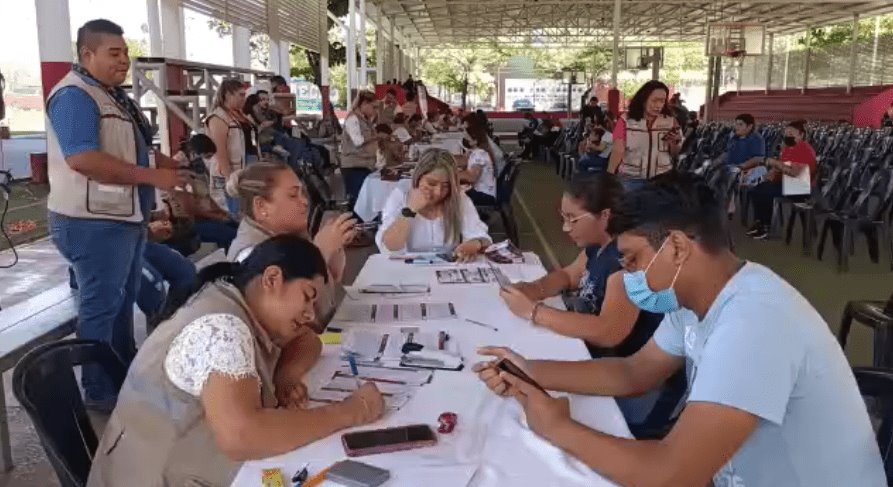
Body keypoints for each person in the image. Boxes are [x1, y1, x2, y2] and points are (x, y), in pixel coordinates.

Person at [473, 172, 886, 487]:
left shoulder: (755, 322)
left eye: (632, 260)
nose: (629, 274)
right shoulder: (697, 298)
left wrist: (555, 427)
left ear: (675, 247)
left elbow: (672, 475)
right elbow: (634, 372)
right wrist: (526, 369)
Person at [86, 236, 385, 487]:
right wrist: (351, 411)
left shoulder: (239, 302)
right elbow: (243, 436)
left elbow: (308, 341)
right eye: (307, 297)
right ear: (272, 279)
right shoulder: (221, 328)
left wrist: (285, 377)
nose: (310, 314)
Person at [46, 19, 188, 410]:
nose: (124, 60)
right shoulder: (75, 96)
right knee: (102, 305)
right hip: (92, 223)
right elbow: (83, 158)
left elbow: (135, 150)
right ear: (86, 54)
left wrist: (169, 168)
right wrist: (150, 175)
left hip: (121, 219)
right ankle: (98, 388)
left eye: (125, 53)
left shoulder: (110, 96)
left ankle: (119, 371)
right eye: (114, 53)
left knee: (120, 302)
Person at [497, 174, 681, 427]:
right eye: (563, 218)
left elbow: (608, 331)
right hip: (612, 365)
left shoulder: (625, 260)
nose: (565, 228)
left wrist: (534, 312)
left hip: (636, 377)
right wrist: (533, 288)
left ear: (604, 216)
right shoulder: (598, 246)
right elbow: (567, 275)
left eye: (572, 219)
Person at [225, 162, 354, 329]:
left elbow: (326, 304)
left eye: (302, 193)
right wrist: (317, 255)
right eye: (293, 195)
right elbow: (290, 327)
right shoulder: (250, 257)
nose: (305, 202)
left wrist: (331, 260)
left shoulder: (287, 237)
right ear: (261, 206)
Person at [377, 148, 491, 259]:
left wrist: (475, 244)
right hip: (408, 271)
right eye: (431, 183)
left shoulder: (458, 198)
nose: (438, 192)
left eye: (446, 185)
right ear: (418, 178)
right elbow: (391, 247)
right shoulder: (400, 196)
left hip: (447, 269)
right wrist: (410, 209)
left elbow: (482, 237)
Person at [744, 120, 817, 240]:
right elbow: (781, 167)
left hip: (801, 187)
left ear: (801, 135)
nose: (788, 135)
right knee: (756, 189)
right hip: (787, 183)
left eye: (791, 133)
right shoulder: (788, 148)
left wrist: (775, 163)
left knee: (765, 192)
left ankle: (765, 226)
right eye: (786, 133)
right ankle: (760, 222)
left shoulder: (805, 150)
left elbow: (794, 173)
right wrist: (771, 173)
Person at [608, 80, 681, 191]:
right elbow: (617, 150)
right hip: (630, 180)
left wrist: (675, 143)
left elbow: (675, 153)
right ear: (643, 99)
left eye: (662, 101)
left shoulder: (671, 122)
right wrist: (609, 177)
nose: (658, 105)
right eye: (654, 100)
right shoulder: (624, 120)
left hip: (662, 180)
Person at [206, 79, 248, 216]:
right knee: (232, 210)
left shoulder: (239, 114)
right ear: (228, 95)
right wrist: (228, 175)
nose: (244, 99)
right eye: (240, 95)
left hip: (244, 166)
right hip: (230, 169)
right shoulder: (218, 117)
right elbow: (220, 149)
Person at [340, 90, 381, 208]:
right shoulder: (352, 119)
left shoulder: (365, 120)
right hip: (354, 166)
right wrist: (375, 136)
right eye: (374, 107)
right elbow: (358, 141)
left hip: (365, 165)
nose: (375, 110)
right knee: (358, 202)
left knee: (365, 201)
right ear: (364, 104)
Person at [458, 123, 498, 206]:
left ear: (475, 141)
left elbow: (472, 177)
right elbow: (464, 162)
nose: (464, 138)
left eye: (466, 137)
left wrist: (450, 175)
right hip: (480, 192)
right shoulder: (476, 152)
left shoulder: (479, 154)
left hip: (484, 196)